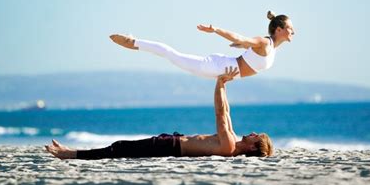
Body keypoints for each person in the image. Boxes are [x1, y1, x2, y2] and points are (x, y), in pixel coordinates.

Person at [45, 67, 273, 159]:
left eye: (256, 135)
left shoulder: (229, 147)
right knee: (121, 147)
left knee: (120, 147)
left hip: (170, 147)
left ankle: (69, 154)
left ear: (253, 146)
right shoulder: (232, 140)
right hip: (172, 141)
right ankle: (70, 152)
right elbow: (227, 112)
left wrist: (218, 82)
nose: (252, 132)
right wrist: (224, 84)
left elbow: (220, 115)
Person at [110, 11, 294, 80]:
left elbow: (250, 51)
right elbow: (239, 36)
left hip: (223, 67)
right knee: (171, 54)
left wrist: (275, 17)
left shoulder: (271, 46)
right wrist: (216, 29)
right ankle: (133, 42)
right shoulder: (264, 43)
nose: (293, 32)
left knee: (172, 55)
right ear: (278, 30)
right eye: (290, 29)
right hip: (217, 67)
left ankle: (135, 42)